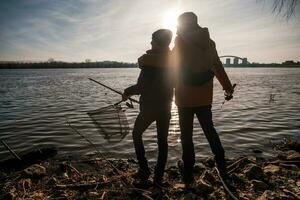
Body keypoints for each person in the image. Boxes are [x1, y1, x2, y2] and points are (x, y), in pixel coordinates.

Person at [172, 12, 234, 187]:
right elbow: (218, 67)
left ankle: (189, 175)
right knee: (210, 131)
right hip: (205, 98)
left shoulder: (179, 42)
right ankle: (222, 164)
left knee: (186, 137)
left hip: (184, 98)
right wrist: (227, 88)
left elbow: (171, 67)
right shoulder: (210, 43)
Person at [122, 29, 173, 187]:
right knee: (162, 142)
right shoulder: (173, 60)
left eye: (152, 40)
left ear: (158, 42)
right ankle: (158, 177)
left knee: (136, 134)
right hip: (165, 107)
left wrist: (127, 92)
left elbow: (142, 86)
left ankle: (144, 168)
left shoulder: (150, 62)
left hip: (149, 109)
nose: (150, 42)